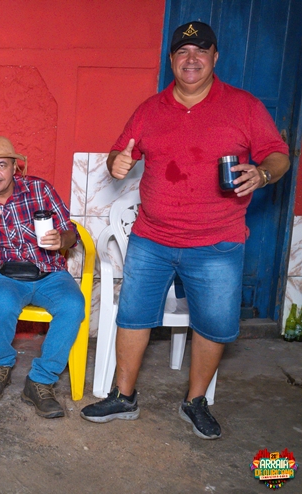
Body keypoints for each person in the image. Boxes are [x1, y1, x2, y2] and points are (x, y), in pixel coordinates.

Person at [80, 22, 290, 439]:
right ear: (172, 60)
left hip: (217, 242)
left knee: (213, 325)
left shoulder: (244, 107)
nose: (191, 59)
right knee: (133, 317)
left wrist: (263, 174)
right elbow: (120, 151)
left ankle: (196, 402)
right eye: (182, 52)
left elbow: (278, 154)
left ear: (215, 57)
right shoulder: (149, 109)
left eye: (200, 51)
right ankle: (124, 396)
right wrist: (115, 163)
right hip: (151, 238)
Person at [0, 136, 85, 419]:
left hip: (50, 272)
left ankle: (40, 381)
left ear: (15, 167)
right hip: (6, 274)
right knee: (1, 304)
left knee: (73, 306)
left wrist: (60, 240)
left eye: (1, 165)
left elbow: (70, 233)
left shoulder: (40, 189)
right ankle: (0, 366)